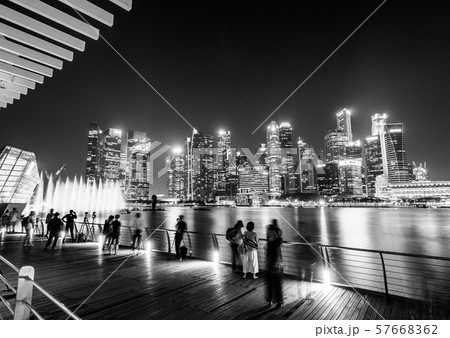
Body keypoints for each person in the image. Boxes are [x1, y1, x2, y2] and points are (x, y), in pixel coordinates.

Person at [266, 219, 284, 308]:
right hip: (274, 262)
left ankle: (273, 300)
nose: (267, 233)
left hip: (272, 262)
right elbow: (280, 237)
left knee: (272, 281)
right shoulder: (276, 240)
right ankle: (276, 300)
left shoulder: (272, 240)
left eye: (268, 232)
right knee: (275, 282)